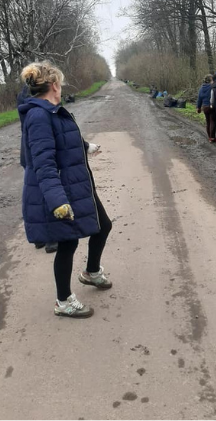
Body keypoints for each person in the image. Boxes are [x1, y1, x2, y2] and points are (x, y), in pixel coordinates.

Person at [18, 61, 112, 318]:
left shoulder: (52, 111)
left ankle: (91, 272)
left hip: (77, 185)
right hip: (61, 190)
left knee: (103, 225)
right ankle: (63, 301)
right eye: (61, 83)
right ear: (54, 85)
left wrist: (86, 146)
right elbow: (42, 163)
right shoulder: (39, 116)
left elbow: (63, 140)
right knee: (68, 243)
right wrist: (58, 201)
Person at [17, 83, 58, 254]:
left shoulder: (24, 95)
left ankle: (39, 237)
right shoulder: (39, 100)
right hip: (38, 150)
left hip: (28, 150)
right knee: (46, 193)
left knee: (34, 195)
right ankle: (50, 238)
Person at [196, 75, 216, 143]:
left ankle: (209, 137)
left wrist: (198, 107)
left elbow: (199, 99)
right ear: (211, 80)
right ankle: (212, 137)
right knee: (212, 122)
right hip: (211, 106)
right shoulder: (212, 87)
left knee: (208, 122)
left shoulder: (201, 88)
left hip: (205, 107)